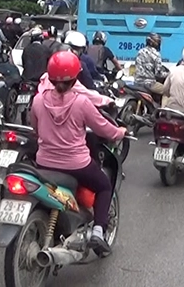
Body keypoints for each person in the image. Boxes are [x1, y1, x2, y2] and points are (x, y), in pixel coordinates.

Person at [30, 51, 125, 255]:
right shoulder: (82, 103)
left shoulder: (38, 101)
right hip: (76, 164)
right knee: (104, 187)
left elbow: (36, 130)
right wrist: (119, 132)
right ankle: (99, 231)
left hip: (44, 163)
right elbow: (103, 128)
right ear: (76, 78)